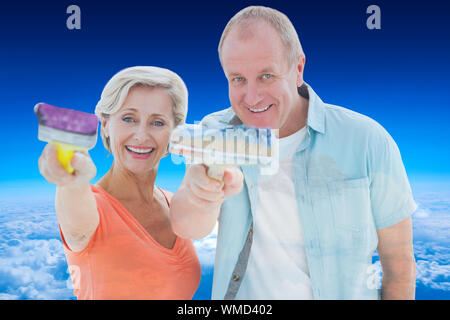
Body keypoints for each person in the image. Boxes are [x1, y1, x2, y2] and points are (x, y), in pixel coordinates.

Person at [169, 6, 417, 300]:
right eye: (237, 79)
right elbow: (188, 226)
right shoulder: (215, 132)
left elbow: (399, 266)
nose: (252, 97)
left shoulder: (367, 141)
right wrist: (202, 194)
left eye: (266, 76)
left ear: (298, 69)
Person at [38, 66, 201, 299]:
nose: (142, 135)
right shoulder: (93, 208)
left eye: (157, 123)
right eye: (128, 119)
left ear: (175, 132)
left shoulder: (174, 203)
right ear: (105, 124)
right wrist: (72, 182)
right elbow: (77, 227)